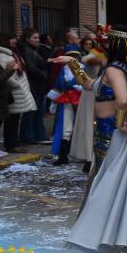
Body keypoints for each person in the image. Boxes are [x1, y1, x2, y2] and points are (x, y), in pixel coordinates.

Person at [51, 25, 127, 252]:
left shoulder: (115, 69)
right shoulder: (124, 68)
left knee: (104, 182)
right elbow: (88, 84)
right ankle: (111, 236)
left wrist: (119, 124)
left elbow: (123, 100)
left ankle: (96, 236)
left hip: (110, 133)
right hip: (115, 133)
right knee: (114, 183)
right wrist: (72, 62)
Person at [0, 32, 36, 153]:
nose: (15, 40)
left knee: (15, 119)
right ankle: (11, 144)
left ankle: (14, 142)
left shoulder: (14, 53)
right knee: (11, 121)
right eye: (12, 38)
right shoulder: (3, 56)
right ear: (5, 40)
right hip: (14, 93)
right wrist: (17, 85)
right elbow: (6, 75)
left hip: (19, 91)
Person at [70, 46, 107, 172]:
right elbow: (86, 80)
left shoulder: (115, 62)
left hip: (106, 99)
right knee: (89, 126)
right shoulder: (93, 55)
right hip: (91, 94)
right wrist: (72, 63)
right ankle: (89, 158)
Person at [50, 31, 83, 165]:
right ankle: (63, 156)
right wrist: (52, 101)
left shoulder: (82, 69)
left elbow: (89, 84)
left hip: (81, 101)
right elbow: (58, 86)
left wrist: (83, 89)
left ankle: (82, 154)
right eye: (70, 56)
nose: (72, 59)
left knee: (82, 127)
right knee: (66, 128)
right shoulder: (63, 70)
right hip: (66, 101)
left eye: (75, 56)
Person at [18, 28, 50, 144]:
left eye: (38, 37)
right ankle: (29, 137)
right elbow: (31, 67)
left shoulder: (32, 49)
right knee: (32, 112)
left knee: (37, 112)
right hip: (34, 86)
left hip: (38, 85)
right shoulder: (27, 50)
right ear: (27, 39)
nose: (37, 40)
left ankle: (38, 136)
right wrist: (43, 75)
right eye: (34, 38)